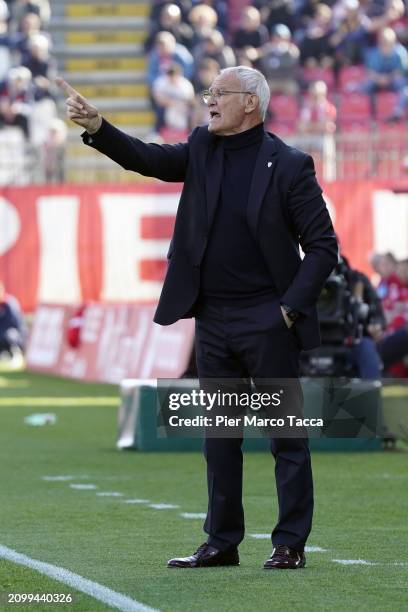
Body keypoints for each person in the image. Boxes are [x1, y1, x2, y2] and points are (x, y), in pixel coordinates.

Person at [57, 65, 338, 570]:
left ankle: (290, 542)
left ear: (250, 103)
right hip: (212, 317)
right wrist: (98, 127)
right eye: (208, 91)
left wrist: (288, 310)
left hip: (268, 319)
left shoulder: (292, 165)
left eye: (218, 93)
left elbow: (322, 248)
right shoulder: (202, 148)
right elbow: (148, 158)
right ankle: (221, 542)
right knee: (220, 437)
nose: (208, 99)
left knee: (285, 437)